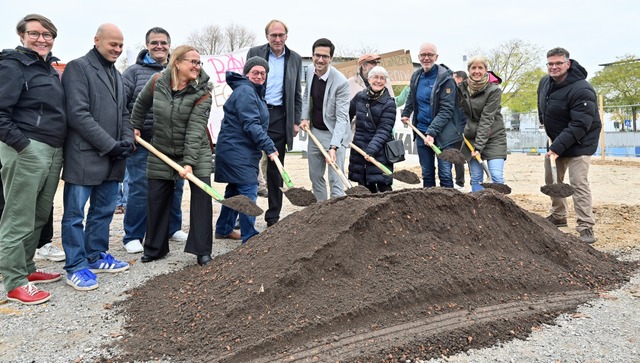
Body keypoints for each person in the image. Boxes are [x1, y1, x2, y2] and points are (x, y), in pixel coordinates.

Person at [61, 23, 134, 291]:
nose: (117, 49)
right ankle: (75, 266)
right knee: (74, 214)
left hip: (113, 157)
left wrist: (125, 141)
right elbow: (78, 114)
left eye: (121, 45)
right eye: (113, 44)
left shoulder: (116, 74)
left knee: (102, 212)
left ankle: (95, 255)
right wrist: (110, 144)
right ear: (97, 40)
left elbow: (125, 112)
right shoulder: (78, 68)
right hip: (85, 155)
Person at [0, 14, 66, 304]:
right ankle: (14, 281)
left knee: (39, 215)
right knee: (18, 216)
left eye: (47, 34)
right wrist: (23, 146)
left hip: (52, 149)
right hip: (27, 148)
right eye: (35, 34)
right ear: (22, 36)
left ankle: (26, 268)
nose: (42, 39)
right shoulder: (12, 66)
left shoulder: (48, 68)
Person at [131, 45, 214, 266]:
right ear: (177, 62)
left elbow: (196, 131)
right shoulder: (158, 81)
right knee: (157, 197)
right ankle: (155, 248)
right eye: (193, 62)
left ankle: (202, 249)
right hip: (162, 149)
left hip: (196, 152)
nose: (197, 66)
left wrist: (189, 162)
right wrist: (135, 126)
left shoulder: (203, 92)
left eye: (199, 63)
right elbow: (140, 105)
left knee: (201, 198)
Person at [121, 27, 188, 254]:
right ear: (147, 45)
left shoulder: (179, 70)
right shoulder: (133, 73)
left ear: (170, 45)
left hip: (173, 144)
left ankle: (172, 228)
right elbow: (122, 103)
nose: (159, 47)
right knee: (140, 189)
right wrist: (130, 129)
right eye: (154, 43)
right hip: (143, 143)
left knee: (175, 187)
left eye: (163, 43)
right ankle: (133, 235)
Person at [537, 47, 601, 244]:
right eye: (550, 63)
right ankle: (558, 216)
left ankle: (585, 226)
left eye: (558, 63)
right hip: (556, 139)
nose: (554, 67)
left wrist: (557, 147)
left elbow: (580, 124)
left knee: (578, 183)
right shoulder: (545, 82)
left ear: (568, 64)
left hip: (581, 141)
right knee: (552, 180)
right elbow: (543, 105)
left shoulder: (582, 88)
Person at [214, 57, 278, 243]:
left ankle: (224, 229)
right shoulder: (246, 92)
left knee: (234, 191)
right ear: (246, 73)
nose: (259, 76)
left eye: (262, 73)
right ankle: (249, 236)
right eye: (255, 72)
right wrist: (270, 147)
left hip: (240, 149)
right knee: (249, 188)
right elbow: (251, 124)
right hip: (236, 150)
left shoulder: (252, 92)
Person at [247, 19, 302, 227]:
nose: (277, 39)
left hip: (280, 117)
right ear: (267, 37)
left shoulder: (295, 59)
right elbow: (245, 83)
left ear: (286, 36)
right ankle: (242, 217)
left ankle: (273, 217)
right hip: (256, 113)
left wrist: (295, 121)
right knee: (248, 163)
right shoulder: (255, 53)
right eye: (273, 35)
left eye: (281, 35)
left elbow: (297, 92)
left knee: (276, 167)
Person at [400, 43, 461, 188]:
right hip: (421, 132)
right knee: (427, 173)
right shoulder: (416, 76)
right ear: (419, 57)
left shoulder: (447, 79)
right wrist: (406, 112)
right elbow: (412, 98)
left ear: (436, 57)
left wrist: (432, 132)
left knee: (445, 173)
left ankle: (448, 207)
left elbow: (447, 110)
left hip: (443, 135)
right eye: (423, 55)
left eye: (430, 55)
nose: (426, 58)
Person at [300, 38, 351, 201]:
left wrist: (334, 147)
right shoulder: (309, 70)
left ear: (331, 58)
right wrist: (304, 117)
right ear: (312, 55)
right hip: (315, 132)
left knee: (335, 180)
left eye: (325, 56)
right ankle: (321, 212)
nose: (320, 60)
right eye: (317, 55)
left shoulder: (341, 82)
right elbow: (306, 95)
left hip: (334, 133)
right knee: (315, 177)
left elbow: (342, 118)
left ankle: (337, 218)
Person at [457, 57, 507, 192]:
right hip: (472, 138)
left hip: (493, 136)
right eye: (473, 68)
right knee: (476, 177)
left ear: (486, 70)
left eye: (480, 68)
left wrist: (479, 147)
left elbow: (486, 119)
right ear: (468, 70)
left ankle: (500, 210)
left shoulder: (494, 90)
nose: (476, 71)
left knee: (496, 177)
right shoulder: (462, 88)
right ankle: (478, 211)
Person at [348, 66, 397, 193]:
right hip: (359, 151)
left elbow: (384, 130)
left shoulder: (389, 103)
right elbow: (346, 115)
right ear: (369, 80)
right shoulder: (359, 97)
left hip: (379, 153)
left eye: (382, 78)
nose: (378, 81)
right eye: (375, 77)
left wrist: (371, 150)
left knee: (384, 188)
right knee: (365, 189)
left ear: (385, 81)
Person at [451, 70, 468, 191]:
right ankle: (460, 181)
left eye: (454, 78)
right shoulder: (455, 92)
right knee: (457, 156)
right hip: (457, 129)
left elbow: (463, 113)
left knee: (460, 156)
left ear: (460, 78)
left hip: (463, 129)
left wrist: (462, 129)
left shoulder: (464, 93)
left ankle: (461, 182)